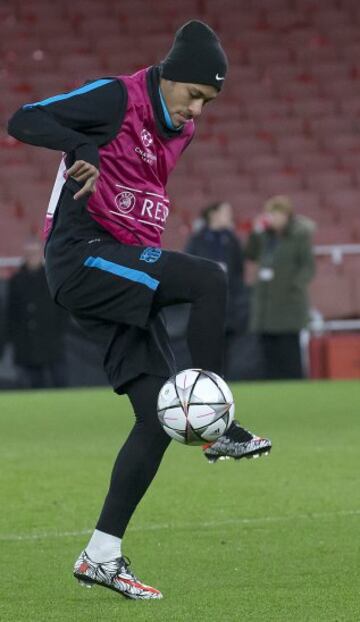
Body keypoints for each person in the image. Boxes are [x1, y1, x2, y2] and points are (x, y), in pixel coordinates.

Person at [8, 21, 271, 600]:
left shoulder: (180, 127)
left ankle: (101, 554)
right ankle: (218, 426)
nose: (199, 109)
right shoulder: (115, 97)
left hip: (118, 263)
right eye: (195, 94)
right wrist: (79, 145)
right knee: (209, 278)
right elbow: (22, 118)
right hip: (83, 257)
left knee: (156, 416)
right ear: (171, 75)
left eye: (208, 101)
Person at [245, 195, 316, 380]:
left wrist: (294, 286)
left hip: (288, 302)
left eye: (276, 215)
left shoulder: (299, 235)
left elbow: (308, 266)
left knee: (288, 348)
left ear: (286, 216)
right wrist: (255, 232)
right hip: (266, 303)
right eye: (270, 214)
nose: (273, 219)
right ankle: (271, 384)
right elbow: (250, 254)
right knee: (268, 349)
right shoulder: (264, 236)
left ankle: (294, 383)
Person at [6, 237, 68, 388]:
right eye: (28, 253)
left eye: (34, 253)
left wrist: (57, 329)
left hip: (51, 339)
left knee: (59, 380)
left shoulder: (51, 277)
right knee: (33, 382)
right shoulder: (16, 280)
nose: (31, 257)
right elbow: (11, 312)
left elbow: (62, 309)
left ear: (40, 254)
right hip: (26, 341)